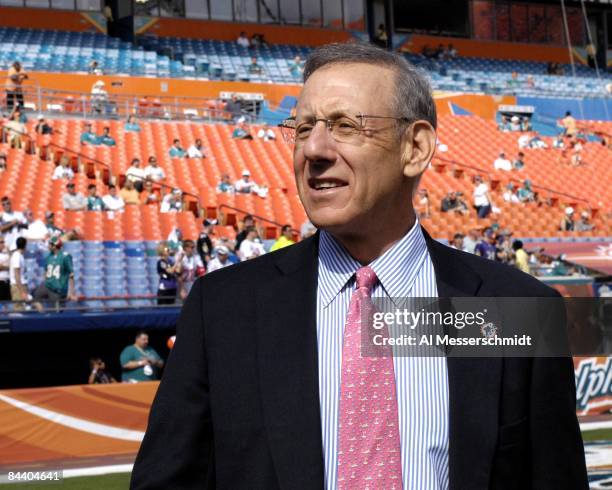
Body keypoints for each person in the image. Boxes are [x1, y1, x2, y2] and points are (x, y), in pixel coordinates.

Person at [132, 42, 587, 490]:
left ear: (416, 147)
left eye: (345, 125)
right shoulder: (223, 310)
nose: (314, 149)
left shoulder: (514, 309)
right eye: (303, 127)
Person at [33, 236, 76, 311]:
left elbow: (71, 275)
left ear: (54, 246)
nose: (48, 246)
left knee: (57, 311)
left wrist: (71, 292)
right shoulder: (48, 257)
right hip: (48, 285)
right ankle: (43, 316)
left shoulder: (65, 256)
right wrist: (45, 281)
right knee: (35, 299)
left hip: (58, 288)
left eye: (50, 244)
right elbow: (46, 272)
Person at [0, 236, 10, 303]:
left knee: (8, 303)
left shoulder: (6, 254)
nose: (3, 244)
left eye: (3, 242)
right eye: (1, 242)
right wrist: (8, 267)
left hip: (7, 282)